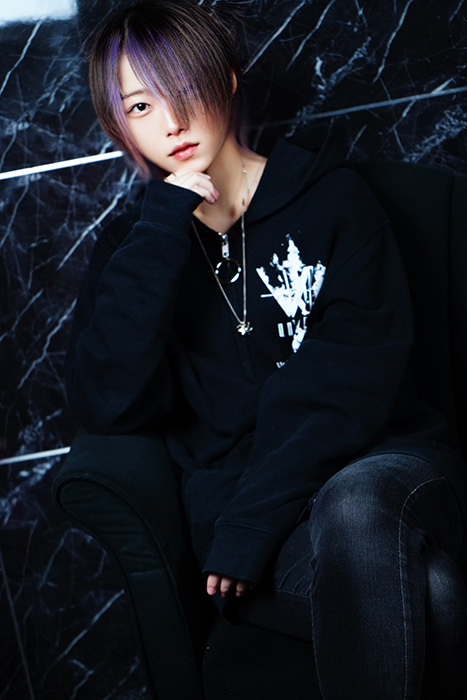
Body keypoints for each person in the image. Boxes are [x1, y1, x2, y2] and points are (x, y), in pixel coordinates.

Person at [66, 1, 467, 697]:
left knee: (356, 503)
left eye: (183, 89)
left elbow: (345, 384)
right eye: (139, 107)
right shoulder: (133, 249)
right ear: (119, 125)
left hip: (383, 469)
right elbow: (107, 401)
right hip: (259, 522)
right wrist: (162, 227)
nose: (170, 123)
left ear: (224, 79)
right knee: (434, 592)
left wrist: (250, 521)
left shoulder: (333, 201)